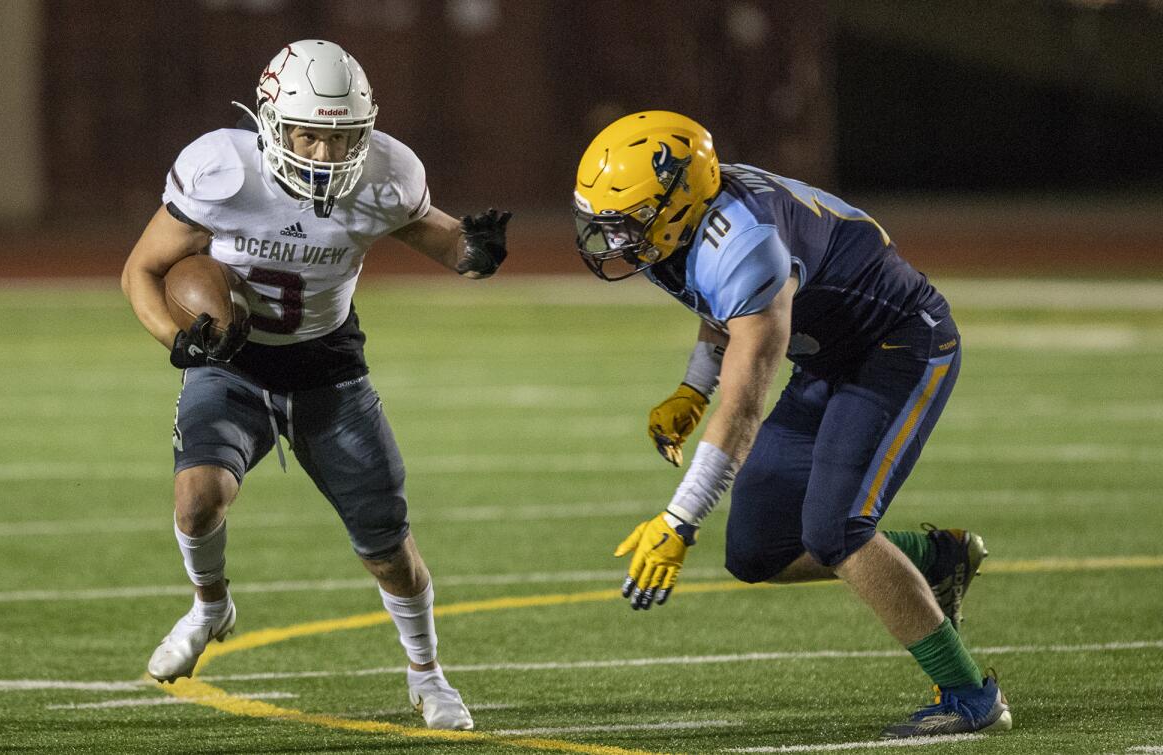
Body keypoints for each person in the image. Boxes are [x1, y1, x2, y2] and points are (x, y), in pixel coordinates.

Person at [571, 111, 1011, 738]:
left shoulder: (748, 245)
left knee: (837, 530)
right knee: (756, 550)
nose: (612, 240)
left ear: (675, 205)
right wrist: (693, 386)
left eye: (627, 223)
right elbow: (715, 301)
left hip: (897, 347)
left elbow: (744, 404)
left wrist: (678, 522)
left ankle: (972, 697)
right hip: (828, 356)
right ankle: (937, 559)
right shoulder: (692, 219)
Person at [122, 39, 512, 731]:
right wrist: (175, 337)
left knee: (388, 547)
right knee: (196, 500)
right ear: (270, 122)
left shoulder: (386, 173)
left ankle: (428, 673)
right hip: (234, 362)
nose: (326, 155)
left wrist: (473, 250)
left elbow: (439, 235)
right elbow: (142, 269)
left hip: (328, 365)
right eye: (309, 134)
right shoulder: (222, 169)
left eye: (342, 137)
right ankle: (211, 606)